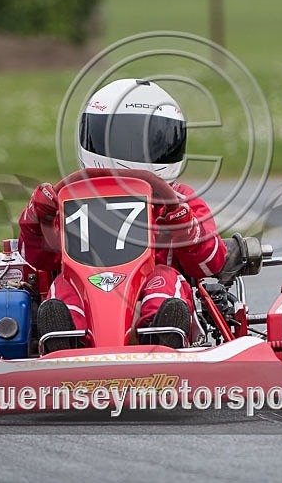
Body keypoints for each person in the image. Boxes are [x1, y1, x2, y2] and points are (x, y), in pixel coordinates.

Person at [18, 79, 227, 350]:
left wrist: (185, 226)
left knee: (166, 281)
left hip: (149, 291)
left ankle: (162, 336)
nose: (135, 153)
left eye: (151, 140)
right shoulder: (69, 199)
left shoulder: (181, 200)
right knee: (63, 286)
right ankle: (65, 343)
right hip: (86, 290)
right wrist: (38, 218)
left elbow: (212, 264)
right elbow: (38, 258)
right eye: (125, 140)